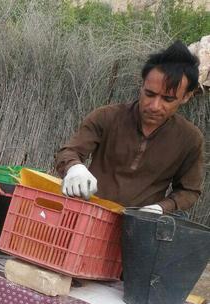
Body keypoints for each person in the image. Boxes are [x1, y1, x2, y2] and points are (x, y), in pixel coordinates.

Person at [56, 41, 204, 214]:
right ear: (142, 85)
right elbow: (68, 152)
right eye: (150, 94)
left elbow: (189, 190)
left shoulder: (189, 138)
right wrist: (74, 168)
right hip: (86, 214)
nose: (155, 106)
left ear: (186, 97)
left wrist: (161, 208)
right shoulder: (107, 117)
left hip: (137, 227)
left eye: (167, 99)